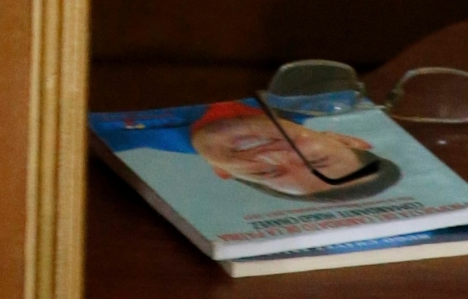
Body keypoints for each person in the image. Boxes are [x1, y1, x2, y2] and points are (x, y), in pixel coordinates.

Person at [95, 100, 400, 202]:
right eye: (315, 160)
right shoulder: (320, 86)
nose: (272, 155)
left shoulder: (106, 140)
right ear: (345, 139)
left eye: (268, 173)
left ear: (221, 171)